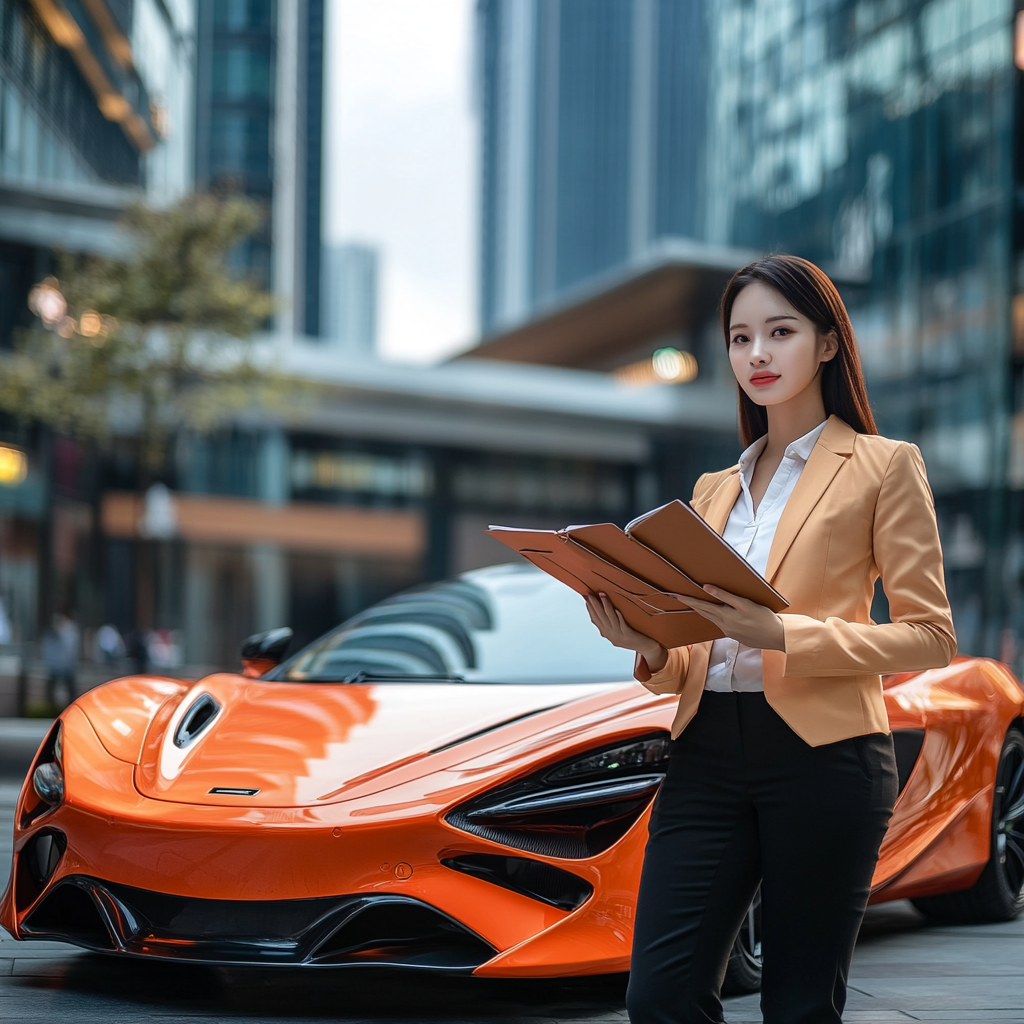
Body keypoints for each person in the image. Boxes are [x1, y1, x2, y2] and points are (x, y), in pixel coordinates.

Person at [585, 254, 955, 1024]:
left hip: (826, 756)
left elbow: (928, 636)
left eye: (779, 332)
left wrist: (782, 634)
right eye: (740, 337)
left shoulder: (883, 467)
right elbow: (698, 644)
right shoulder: (712, 492)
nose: (756, 353)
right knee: (659, 997)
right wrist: (649, 643)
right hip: (706, 754)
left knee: (797, 1007)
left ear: (826, 343)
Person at [42, 611, 80, 707]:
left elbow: (71, 648)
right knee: (51, 690)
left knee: (70, 691)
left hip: (66, 665)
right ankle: (50, 708)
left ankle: (71, 708)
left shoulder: (70, 631)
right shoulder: (52, 633)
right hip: (56, 665)